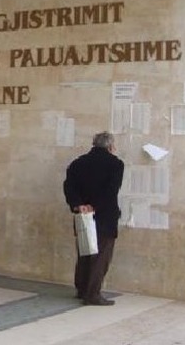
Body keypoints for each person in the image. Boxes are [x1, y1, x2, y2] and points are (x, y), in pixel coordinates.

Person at [63, 131, 125, 306]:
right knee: (101, 256)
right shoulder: (116, 164)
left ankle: (82, 289)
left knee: (84, 253)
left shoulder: (77, 163)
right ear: (110, 146)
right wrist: (94, 206)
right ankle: (92, 294)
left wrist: (79, 205)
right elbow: (111, 191)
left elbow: (68, 186)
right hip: (105, 216)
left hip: (82, 214)